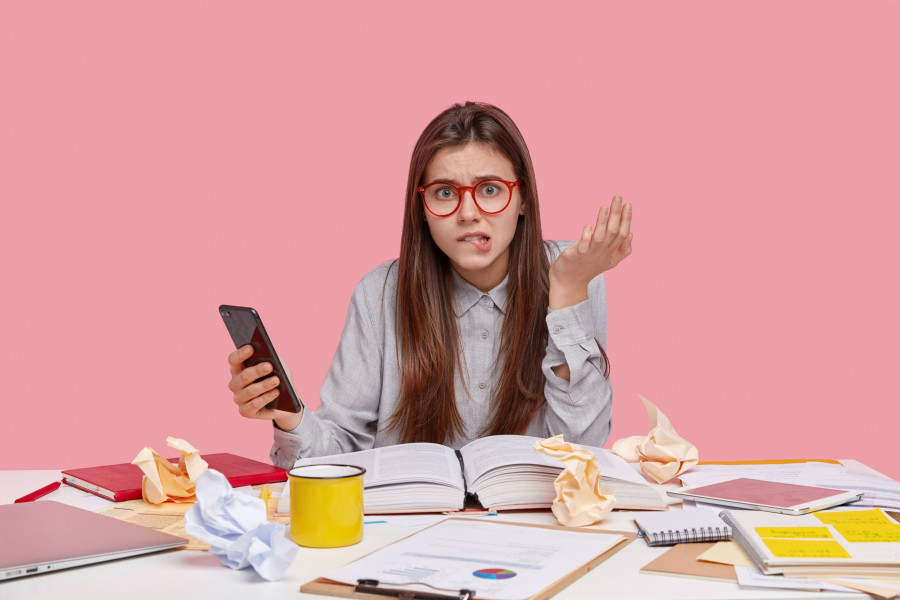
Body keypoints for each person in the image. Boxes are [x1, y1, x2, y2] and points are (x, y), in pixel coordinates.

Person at [228, 102, 633, 468]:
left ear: (523, 198)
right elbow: (341, 455)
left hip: (536, 528)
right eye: (444, 193)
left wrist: (566, 295)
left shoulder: (572, 274)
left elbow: (583, 450)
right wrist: (288, 413)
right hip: (405, 531)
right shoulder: (380, 293)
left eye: (490, 190)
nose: (469, 213)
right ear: (421, 208)